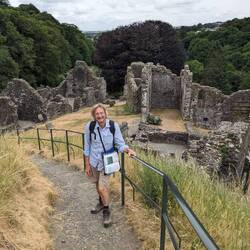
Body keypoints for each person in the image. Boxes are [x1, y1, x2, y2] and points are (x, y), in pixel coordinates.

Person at [84, 103, 136, 228]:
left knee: (102, 187)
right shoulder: (90, 127)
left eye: (101, 113)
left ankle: (107, 210)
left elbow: (120, 143)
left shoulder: (113, 126)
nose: (100, 116)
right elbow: (87, 146)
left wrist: (128, 150)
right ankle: (101, 202)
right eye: (97, 114)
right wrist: (87, 165)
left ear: (105, 113)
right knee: (97, 185)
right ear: (94, 116)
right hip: (94, 161)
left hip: (107, 162)